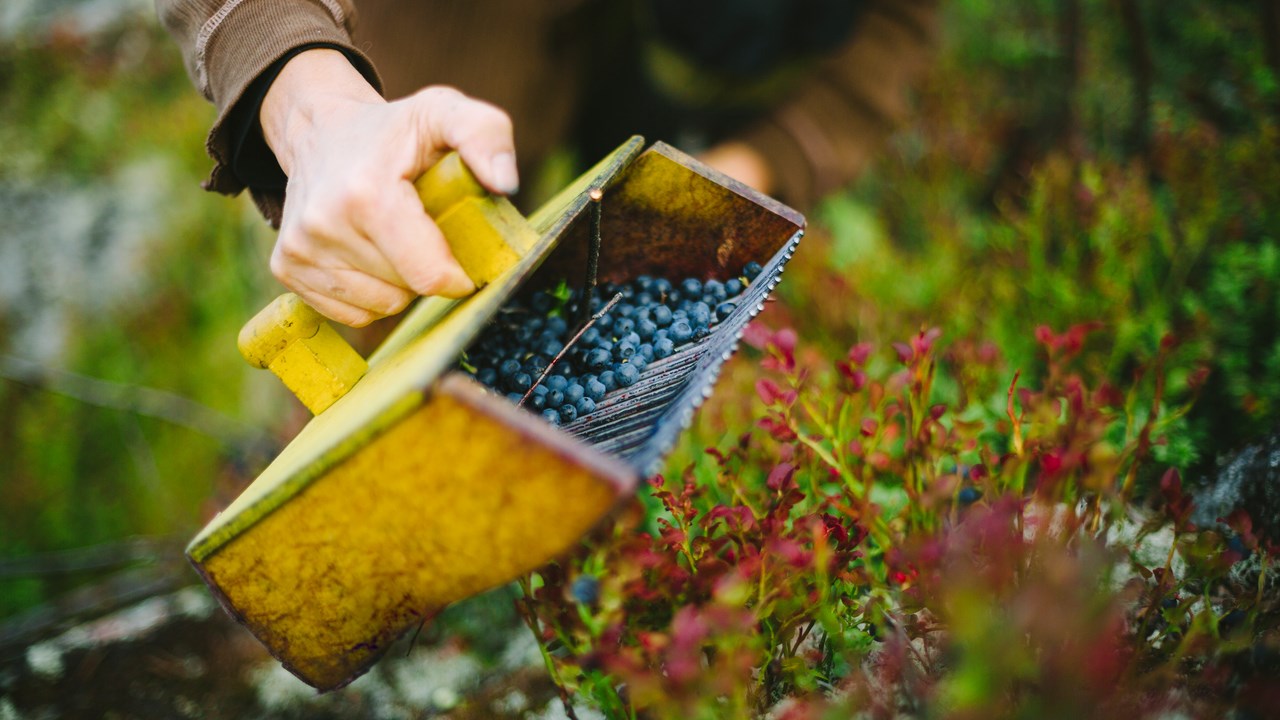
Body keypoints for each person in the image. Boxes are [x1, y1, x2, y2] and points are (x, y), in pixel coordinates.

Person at [158, 0, 937, 327]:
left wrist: (748, 167)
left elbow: (894, 26)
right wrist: (315, 111)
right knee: (406, 265)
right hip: (449, 42)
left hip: (703, 60)